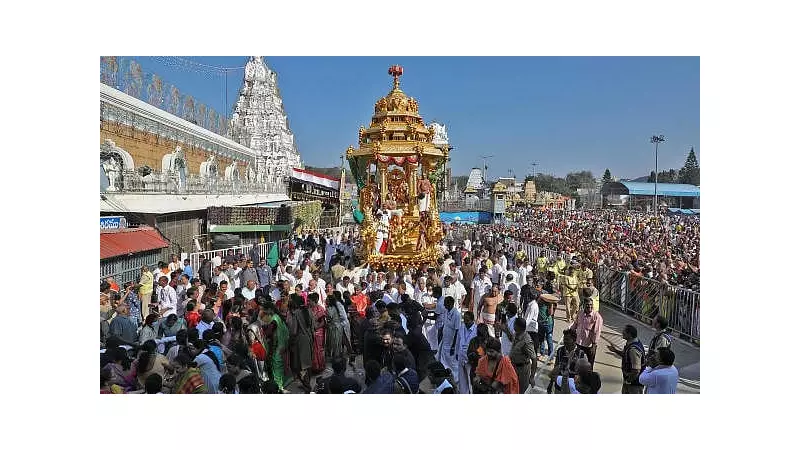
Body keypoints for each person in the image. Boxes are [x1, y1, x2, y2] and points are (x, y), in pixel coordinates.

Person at [608, 324, 646, 394]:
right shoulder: (631, 343)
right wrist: (615, 350)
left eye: (624, 331)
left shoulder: (633, 350)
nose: (622, 332)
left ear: (630, 335)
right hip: (630, 382)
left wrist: (628, 381)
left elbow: (636, 370)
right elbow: (626, 355)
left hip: (634, 385)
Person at [288, 293, 314, 392]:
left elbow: (294, 331)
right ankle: (308, 384)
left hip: (300, 340)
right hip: (309, 338)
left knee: (300, 365)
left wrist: (290, 340)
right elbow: (313, 326)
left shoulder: (296, 313)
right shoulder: (310, 311)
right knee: (308, 364)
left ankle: (307, 386)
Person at [570, 299, 603, 369]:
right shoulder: (580, 313)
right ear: (584, 305)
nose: (590, 307)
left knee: (589, 365)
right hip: (579, 343)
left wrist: (594, 346)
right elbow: (575, 324)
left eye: (591, 305)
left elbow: (596, 332)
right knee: (576, 362)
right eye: (587, 305)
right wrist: (569, 331)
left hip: (589, 346)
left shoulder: (597, 317)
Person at [509, 317, 537, 393]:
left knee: (520, 391)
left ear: (518, 327)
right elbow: (512, 340)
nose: (513, 326)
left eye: (514, 324)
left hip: (522, 371)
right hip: (513, 367)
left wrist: (532, 377)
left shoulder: (527, 341)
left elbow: (534, 359)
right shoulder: (516, 334)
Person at [456, 311, 478, 394]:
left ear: (472, 320)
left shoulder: (476, 330)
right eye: (464, 320)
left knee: (470, 379)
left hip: (470, 359)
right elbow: (458, 341)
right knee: (462, 379)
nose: (465, 322)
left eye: (467, 320)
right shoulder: (462, 327)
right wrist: (456, 353)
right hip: (461, 356)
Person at [309, 292, 327, 373]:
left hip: (319, 333)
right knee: (313, 350)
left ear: (314, 301)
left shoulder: (320, 309)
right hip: (312, 332)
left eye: (310, 301)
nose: (309, 302)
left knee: (319, 350)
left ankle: (320, 366)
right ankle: (314, 367)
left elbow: (323, 322)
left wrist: (316, 327)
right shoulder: (309, 309)